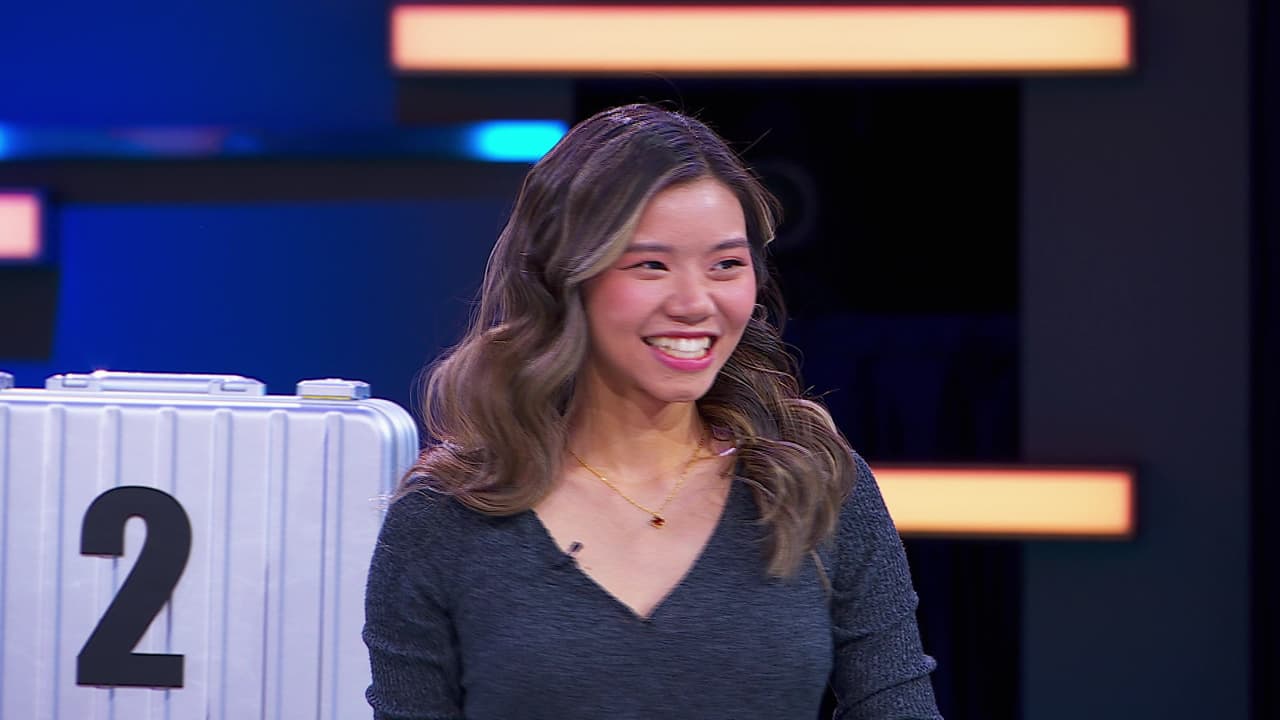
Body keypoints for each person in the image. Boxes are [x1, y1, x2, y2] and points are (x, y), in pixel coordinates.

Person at [363, 103, 941, 720]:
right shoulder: (444, 521)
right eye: (651, 265)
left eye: (726, 265)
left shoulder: (814, 486)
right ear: (564, 279)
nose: (695, 302)